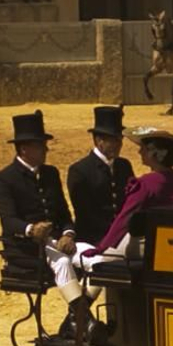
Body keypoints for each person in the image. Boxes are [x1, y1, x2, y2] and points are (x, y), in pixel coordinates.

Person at [0, 110, 87, 334]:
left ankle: (74, 321)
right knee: (63, 263)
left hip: (57, 242)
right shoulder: (4, 178)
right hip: (26, 247)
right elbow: (8, 221)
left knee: (96, 258)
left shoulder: (51, 173)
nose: (46, 149)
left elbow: (64, 213)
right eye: (40, 145)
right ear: (24, 148)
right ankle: (86, 321)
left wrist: (68, 234)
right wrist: (31, 229)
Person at [81, 126, 173, 262]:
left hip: (148, 243)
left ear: (154, 154)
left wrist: (101, 248)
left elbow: (124, 218)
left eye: (144, 149)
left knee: (99, 262)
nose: (139, 152)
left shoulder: (145, 184)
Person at [66, 105, 136, 250]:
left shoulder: (124, 165)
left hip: (123, 235)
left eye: (120, 139)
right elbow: (86, 214)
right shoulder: (80, 171)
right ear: (99, 140)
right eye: (114, 140)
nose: (119, 144)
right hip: (94, 238)